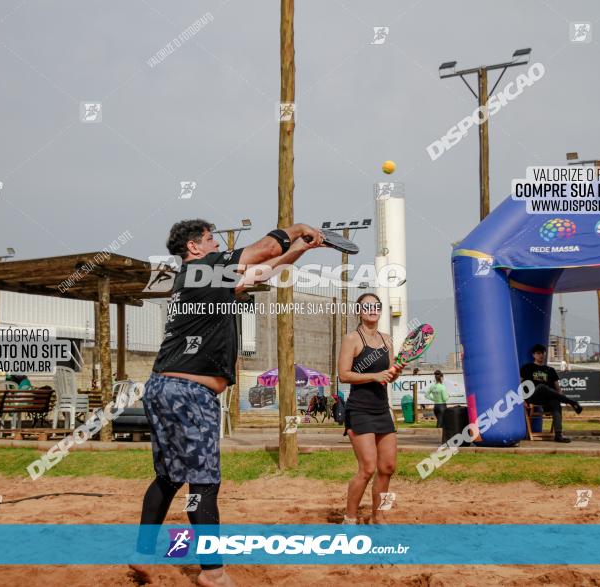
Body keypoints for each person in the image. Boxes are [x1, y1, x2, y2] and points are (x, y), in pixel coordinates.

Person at [136, 219, 324, 586]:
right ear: (193, 247)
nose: (215, 244)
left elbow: (260, 271)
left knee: (169, 477)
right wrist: (297, 226)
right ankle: (212, 572)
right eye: (209, 239)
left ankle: (141, 553)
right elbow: (264, 251)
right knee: (203, 485)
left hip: (163, 387)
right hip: (190, 395)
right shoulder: (204, 268)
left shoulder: (197, 279)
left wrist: (300, 250)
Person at [338, 293, 404, 524]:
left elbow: (388, 378)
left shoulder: (387, 340)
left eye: (376, 306)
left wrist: (396, 372)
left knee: (388, 467)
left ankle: (380, 516)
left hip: (382, 409)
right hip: (359, 410)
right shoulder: (351, 339)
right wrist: (375, 375)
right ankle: (350, 517)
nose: (372, 309)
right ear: (359, 311)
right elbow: (343, 375)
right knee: (367, 468)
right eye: (367, 306)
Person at [519, 344, 583, 443]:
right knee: (542, 387)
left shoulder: (550, 370)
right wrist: (522, 399)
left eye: (542, 353)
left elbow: (558, 389)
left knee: (556, 403)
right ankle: (572, 402)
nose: (541, 355)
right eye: (538, 353)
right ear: (533, 355)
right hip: (533, 396)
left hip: (547, 399)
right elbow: (519, 384)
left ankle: (558, 435)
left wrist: (559, 396)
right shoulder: (528, 367)